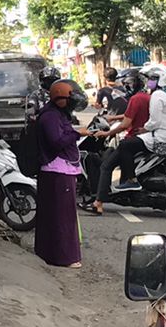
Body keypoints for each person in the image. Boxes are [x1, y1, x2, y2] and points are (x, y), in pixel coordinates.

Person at [33, 80, 83, 269]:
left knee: (55, 215)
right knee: (63, 217)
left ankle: (49, 253)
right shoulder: (50, 116)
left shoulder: (56, 114)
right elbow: (56, 141)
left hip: (58, 169)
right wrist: (77, 134)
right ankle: (64, 257)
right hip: (58, 170)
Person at [91, 72, 152, 214]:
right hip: (146, 138)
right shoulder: (148, 98)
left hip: (134, 137)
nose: (126, 88)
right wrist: (113, 118)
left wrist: (106, 133)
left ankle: (98, 202)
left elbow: (125, 124)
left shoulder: (135, 99)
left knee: (106, 166)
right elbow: (128, 115)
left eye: (127, 85)